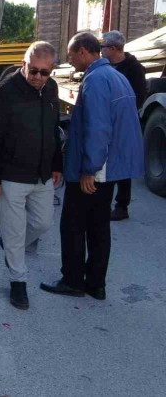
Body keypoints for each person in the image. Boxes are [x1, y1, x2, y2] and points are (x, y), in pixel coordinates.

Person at [40, 32, 144, 301]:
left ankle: (73, 280)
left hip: (94, 169)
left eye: (72, 55)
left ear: (84, 52)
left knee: (73, 225)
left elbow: (98, 129)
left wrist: (90, 169)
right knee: (99, 226)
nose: (70, 61)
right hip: (109, 168)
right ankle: (96, 284)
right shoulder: (115, 76)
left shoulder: (96, 80)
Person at [0, 41, 63, 310]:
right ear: (23, 64)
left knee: (43, 223)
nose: (38, 77)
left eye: (45, 72)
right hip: (11, 176)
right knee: (15, 233)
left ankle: (10, 245)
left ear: (52, 70)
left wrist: (57, 164)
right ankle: (18, 282)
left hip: (41, 174)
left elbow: (53, 129)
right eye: (33, 70)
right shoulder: (4, 93)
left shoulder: (51, 88)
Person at [101, 30, 147, 222]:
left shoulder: (134, 69)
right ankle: (103, 202)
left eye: (103, 47)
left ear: (113, 48)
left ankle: (122, 205)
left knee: (122, 162)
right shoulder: (105, 66)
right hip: (106, 120)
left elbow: (139, 95)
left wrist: (123, 114)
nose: (101, 50)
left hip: (123, 122)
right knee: (106, 160)